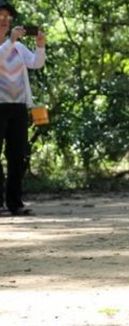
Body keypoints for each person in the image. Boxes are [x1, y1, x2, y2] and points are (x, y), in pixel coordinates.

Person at [0, 0, 46, 215]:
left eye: (8, 18)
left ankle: (15, 203)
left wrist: (40, 45)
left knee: (17, 155)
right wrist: (10, 41)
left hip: (18, 106)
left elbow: (36, 63)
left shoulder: (17, 46)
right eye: (1, 17)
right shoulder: (10, 44)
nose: (5, 21)